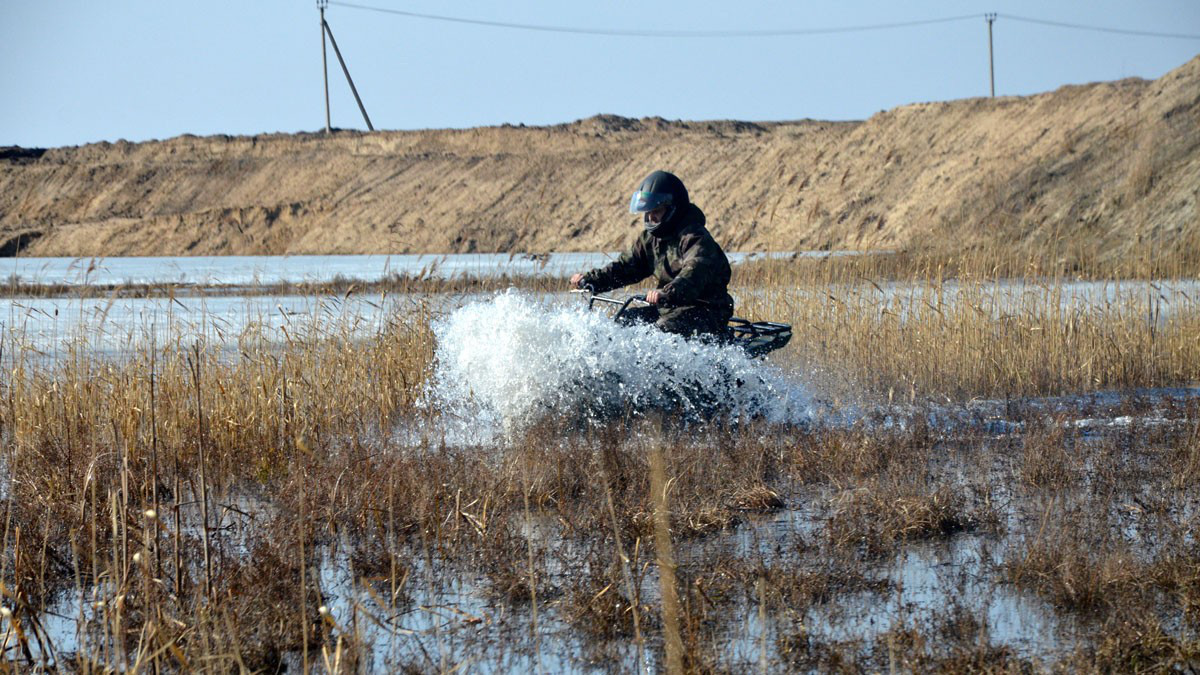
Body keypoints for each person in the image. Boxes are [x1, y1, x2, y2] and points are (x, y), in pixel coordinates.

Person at [571, 170, 734, 340]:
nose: (650, 217)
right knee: (624, 322)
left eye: (656, 211)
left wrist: (667, 292)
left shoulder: (694, 237)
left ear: (672, 209)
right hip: (669, 309)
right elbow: (626, 267)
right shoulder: (651, 239)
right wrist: (591, 280)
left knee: (661, 331)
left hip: (707, 312)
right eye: (647, 212)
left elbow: (694, 271)